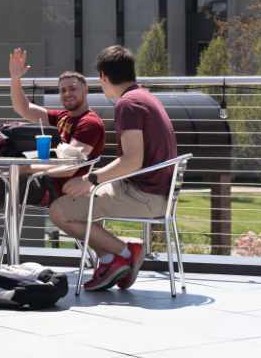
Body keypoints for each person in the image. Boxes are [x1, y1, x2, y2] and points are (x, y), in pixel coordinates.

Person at [58, 45, 178, 291]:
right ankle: (110, 260)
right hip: (153, 192)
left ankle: (126, 251)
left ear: (103, 76)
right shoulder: (144, 96)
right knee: (81, 201)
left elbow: (132, 160)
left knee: (59, 210)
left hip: (146, 197)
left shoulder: (128, 104)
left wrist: (91, 179)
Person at [0, 48, 106, 268]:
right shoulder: (62, 117)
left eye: (73, 88)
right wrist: (15, 79)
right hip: (43, 180)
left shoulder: (88, 123)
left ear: (86, 90)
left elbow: (69, 169)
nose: (67, 93)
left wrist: (27, 169)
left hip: (58, 188)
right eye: (62, 90)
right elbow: (23, 108)